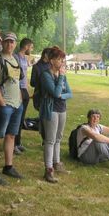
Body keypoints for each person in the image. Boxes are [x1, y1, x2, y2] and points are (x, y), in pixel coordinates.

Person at [0, 32, 23, 185]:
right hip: (5, 105)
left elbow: (16, 81)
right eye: (7, 42)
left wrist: (20, 98)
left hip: (17, 104)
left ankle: (8, 166)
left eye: (12, 42)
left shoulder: (14, 59)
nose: (10, 44)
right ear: (2, 43)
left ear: (15, 44)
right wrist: (1, 102)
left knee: (11, 136)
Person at [39, 47, 72, 183]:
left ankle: (57, 163)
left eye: (62, 59)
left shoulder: (61, 74)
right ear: (52, 61)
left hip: (62, 109)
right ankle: (48, 170)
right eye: (59, 59)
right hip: (51, 110)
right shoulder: (46, 75)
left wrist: (60, 95)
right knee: (50, 140)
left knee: (59, 138)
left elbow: (69, 93)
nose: (62, 62)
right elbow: (54, 92)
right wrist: (61, 79)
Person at [14, 37, 34, 154]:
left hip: (24, 90)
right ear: (26, 46)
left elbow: (25, 75)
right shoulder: (16, 58)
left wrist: (26, 89)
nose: (31, 49)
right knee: (16, 118)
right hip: (18, 90)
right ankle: (14, 144)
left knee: (21, 118)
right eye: (31, 47)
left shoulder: (24, 59)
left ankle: (18, 142)